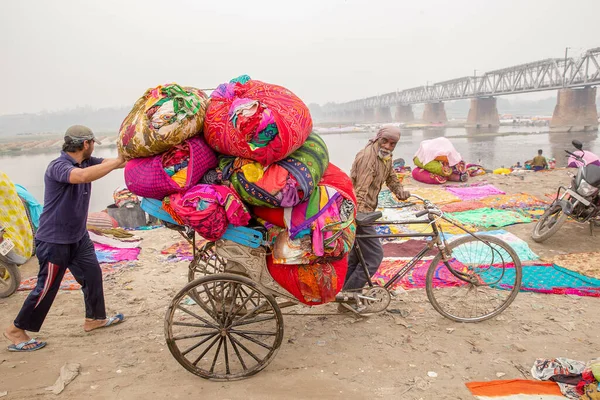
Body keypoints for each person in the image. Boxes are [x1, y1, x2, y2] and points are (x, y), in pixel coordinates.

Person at [4, 125, 126, 352]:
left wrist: (132, 156)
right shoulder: (58, 166)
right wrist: (118, 161)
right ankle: (16, 330)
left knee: (92, 274)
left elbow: (109, 163)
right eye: (92, 143)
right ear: (85, 144)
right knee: (46, 287)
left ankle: (95, 318)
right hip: (54, 240)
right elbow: (81, 177)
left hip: (78, 237)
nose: (93, 148)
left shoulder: (86, 162)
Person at [342, 126, 410, 301]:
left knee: (357, 258)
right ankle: (350, 296)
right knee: (374, 256)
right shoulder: (368, 158)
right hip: (359, 211)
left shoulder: (384, 156)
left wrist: (399, 191)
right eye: (385, 141)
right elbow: (360, 191)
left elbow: (391, 177)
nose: (387, 146)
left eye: (392, 144)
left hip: (364, 211)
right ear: (378, 138)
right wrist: (359, 218)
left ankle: (345, 296)